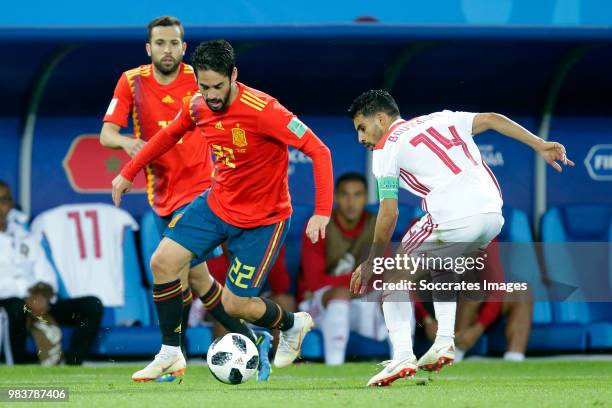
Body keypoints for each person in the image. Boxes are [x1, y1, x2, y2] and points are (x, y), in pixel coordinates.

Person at [111, 39, 334, 381]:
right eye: (204, 86)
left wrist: (322, 210)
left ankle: (293, 324)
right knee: (163, 262)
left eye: (218, 86)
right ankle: (171, 353)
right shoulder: (197, 105)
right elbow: (167, 136)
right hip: (216, 205)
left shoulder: (265, 110)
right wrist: (128, 172)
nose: (211, 94)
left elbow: (319, 151)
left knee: (234, 305)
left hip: (263, 221)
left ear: (233, 75)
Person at [347, 90, 573, 386]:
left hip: (455, 213)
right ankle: (443, 341)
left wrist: (372, 262)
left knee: (393, 274)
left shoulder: (386, 149)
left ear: (380, 118)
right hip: (493, 214)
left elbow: (388, 214)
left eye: (362, 128)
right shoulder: (441, 118)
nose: (361, 138)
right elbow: (492, 119)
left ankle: (402, 354)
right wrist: (540, 144)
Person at [100, 17, 273, 380]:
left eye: (174, 43)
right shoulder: (132, 81)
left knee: (174, 270)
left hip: (200, 192)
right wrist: (129, 145)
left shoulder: (201, 79)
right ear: (149, 48)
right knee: (198, 280)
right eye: (160, 43)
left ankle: (171, 354)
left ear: (183, 46)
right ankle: (250, 338)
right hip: (160, 193)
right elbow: (106, 135)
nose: (168, 49)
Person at [0, 181, 103, 365]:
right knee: (15, 308)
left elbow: (46, 273)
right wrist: (26, 301)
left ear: (11, 204)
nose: (1, 205)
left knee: (91, 305)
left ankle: (72, 365)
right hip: (8, 306)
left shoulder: (24, 236)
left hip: (37, 302)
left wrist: (41, 295)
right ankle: (16, 368)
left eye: (5, 199)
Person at [299, 172, 388, 365]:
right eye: (345, 195)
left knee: (397, 294)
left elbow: (384, 273)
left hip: (361, 302)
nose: (351, 202)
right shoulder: (319, 224)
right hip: (320, 305)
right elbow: (314, 282)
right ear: (336, 197)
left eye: (357, 195)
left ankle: (403, 361)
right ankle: (334, 367)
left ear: (367, 197)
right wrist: (358, 281)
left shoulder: (377, 225)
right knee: (340, 295)